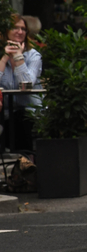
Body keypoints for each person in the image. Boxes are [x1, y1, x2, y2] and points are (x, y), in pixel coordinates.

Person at [0, 13, 43, 151]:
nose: (20, 32)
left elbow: (27, 84)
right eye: (15, 28)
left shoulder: (33, 55)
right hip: (4, 112)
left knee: (20, 118)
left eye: (23, 29)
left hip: (29, 112)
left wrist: (18, 57)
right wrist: (4, 58)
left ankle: (26, 163)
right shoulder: (1, 55)